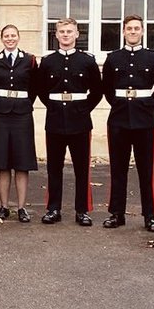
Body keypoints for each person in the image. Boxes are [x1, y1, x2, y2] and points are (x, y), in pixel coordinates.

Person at [100, 15, 154, 232]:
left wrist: (149, 108)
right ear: (123, 31)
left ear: (142, 31)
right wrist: (120, 105)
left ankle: (150, 216)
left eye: (137, 28)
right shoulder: (113, 58)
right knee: (118, 170)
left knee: (146, 171)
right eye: (129, 28)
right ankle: (116, 213)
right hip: (119, 119)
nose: (133, 32)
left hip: (145, 119)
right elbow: (108, 89)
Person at [36, 18, 102, 226]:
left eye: (69, 31)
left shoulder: (87, 61)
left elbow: (97, 91)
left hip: (80, 120)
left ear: (77, 34)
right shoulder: (47, 61)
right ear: (56, 35)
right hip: (55, 119)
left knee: (82, 168)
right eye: (62, 31)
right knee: (54, 168)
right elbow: (41, 90)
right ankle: (53, 209)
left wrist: (83, 109)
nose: (65, 35)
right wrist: (54, 106)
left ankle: (82, 210)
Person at [0, 24, 38, 223]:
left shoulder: (30, 60)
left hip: (22, 114)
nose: (10, 39)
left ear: (19, 37)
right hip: (1, 114)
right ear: (1, 38)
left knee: (22, 163)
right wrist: (2, 102)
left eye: (13, 35)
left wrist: (22, 102)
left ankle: (22, 208)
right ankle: (4, 207)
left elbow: (34, 87)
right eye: (6, 36)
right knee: (2, 162)